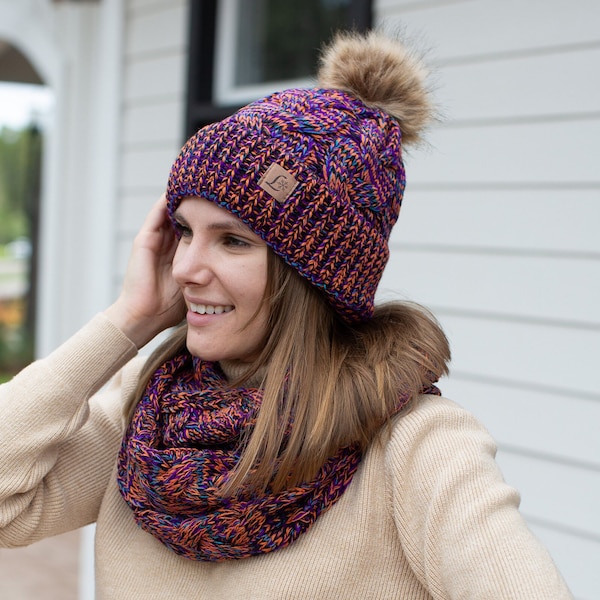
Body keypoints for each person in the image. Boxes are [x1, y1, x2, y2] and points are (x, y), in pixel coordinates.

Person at [0, 31, 572, 599]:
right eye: (185, 232)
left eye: (233, 241)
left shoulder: (414, 447)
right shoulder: (149, 413)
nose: (185, 269)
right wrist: (129, 319)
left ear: (314, 275)